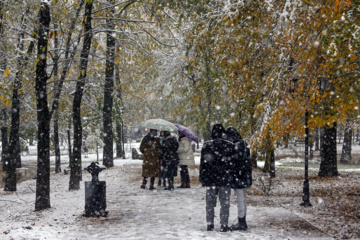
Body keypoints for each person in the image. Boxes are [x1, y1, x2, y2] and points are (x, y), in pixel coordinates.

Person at [199, 123, 235, 232]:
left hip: (211, 179)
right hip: (224, 178)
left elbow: (203, 164)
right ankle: (224, 224)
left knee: (210, 203)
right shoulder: (229, 145)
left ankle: (210, 223)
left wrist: (203, 177)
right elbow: (232, 164)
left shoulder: (207, 145)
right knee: (225, 203)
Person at [224, 126, 252, 231]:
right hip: (244, 176)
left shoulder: (236, 146)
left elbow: (235, 163)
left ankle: (242, 222)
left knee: (240, 199)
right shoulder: (243, 144)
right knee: (242, 199)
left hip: (239, 177)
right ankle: (242, 220)